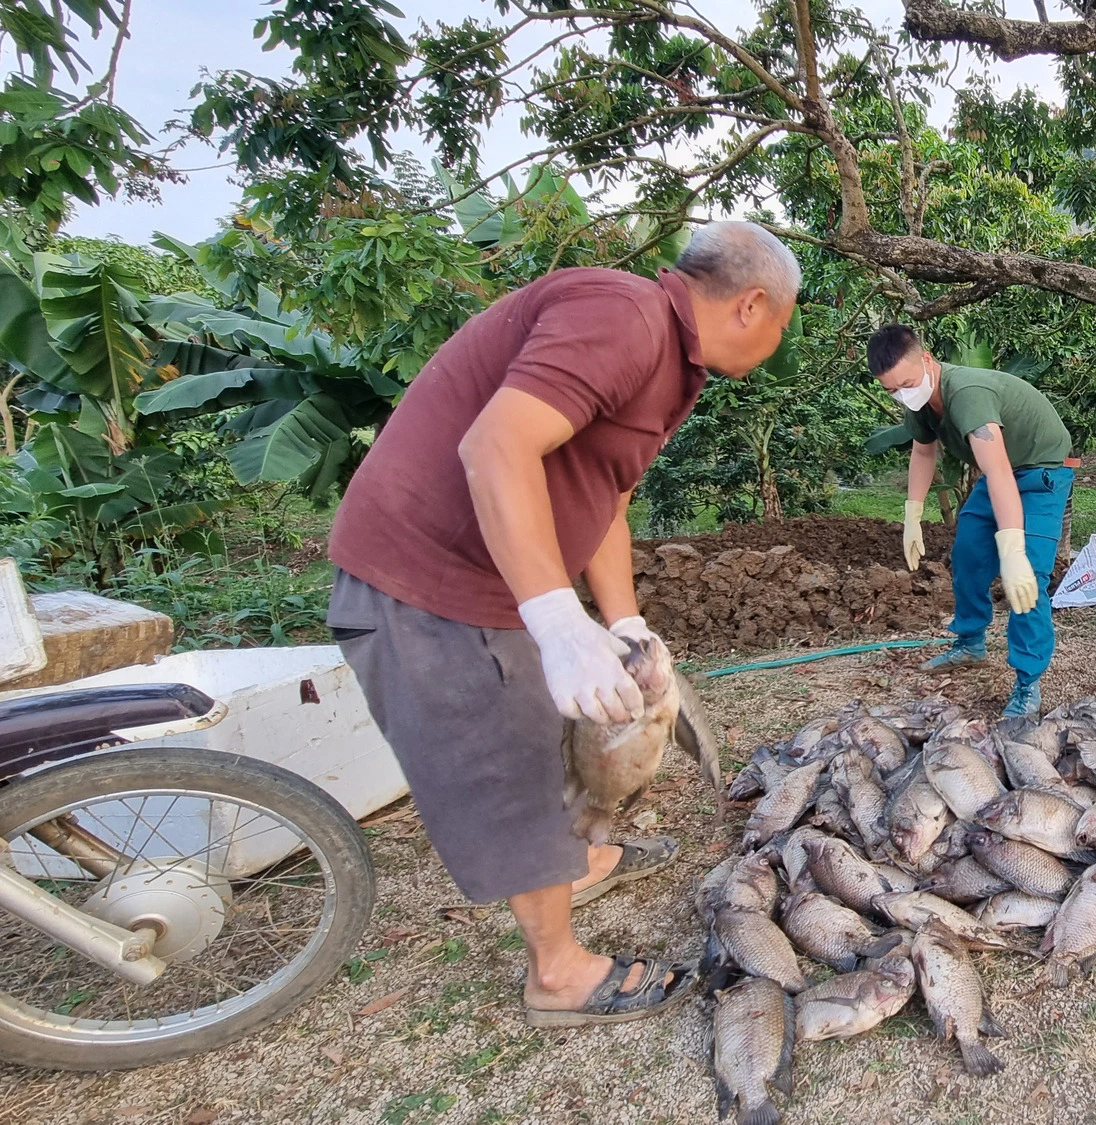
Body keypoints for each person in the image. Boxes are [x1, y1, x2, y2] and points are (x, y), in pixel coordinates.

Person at [324, 222, 798, 1026]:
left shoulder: (668, 360)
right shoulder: (624, 316)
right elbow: (496, 447)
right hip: (433, 580)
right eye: (784, 326)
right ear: (753, 304)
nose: (777, 342)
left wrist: (621, 618)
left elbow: (606, 494)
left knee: (550, 735)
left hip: (499, 573)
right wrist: (552, 616)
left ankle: (580, 858)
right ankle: (559, 974)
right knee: (503, 761)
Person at [873, 325, 1074, 718]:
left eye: (907, 384)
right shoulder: (917, 400)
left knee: (1026, 577)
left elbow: (999, 473)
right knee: (968, 553)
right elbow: (923, 452)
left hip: (1041, 472)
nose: (902, 394)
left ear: (928, 360)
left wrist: (1013, 550)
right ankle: (970, 642)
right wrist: (912, 514)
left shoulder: (966, 395)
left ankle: (1028, 682)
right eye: (891, 390)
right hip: (1000, 469)